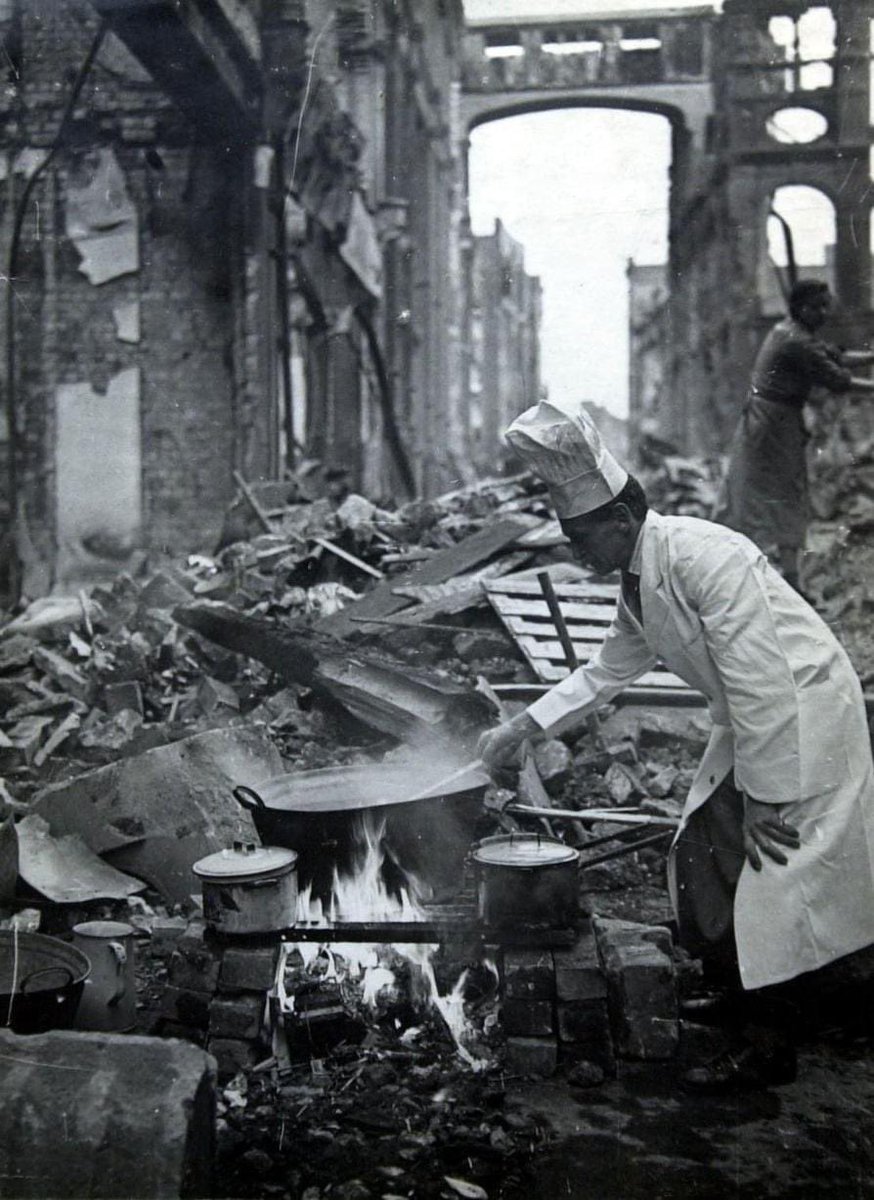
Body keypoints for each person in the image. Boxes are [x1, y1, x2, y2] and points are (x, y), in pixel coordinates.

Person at [481, 399, 874, 1090]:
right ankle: (732, 988)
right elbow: (607, 670)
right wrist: (523, 725)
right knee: (699, 849)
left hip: (803, 714)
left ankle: (768, 1042)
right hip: (758, 717)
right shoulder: (637, 577)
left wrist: (765, 798)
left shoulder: (702, 556)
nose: (575, 552)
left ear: (622, 520)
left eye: (580, 537)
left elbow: (763, 681)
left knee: (765, 871)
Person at [713, 279, 874, 591]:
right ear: (802, 308)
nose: (826, 313)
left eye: (827, 306)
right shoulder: (796, 342)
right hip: (774, 424)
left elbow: (833, 355)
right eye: (820, 307)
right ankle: (778, 579)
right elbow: (837, 378)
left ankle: (777, 576)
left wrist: (870, 357)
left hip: (768, 420)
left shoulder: (786, 331)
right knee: (782, 494)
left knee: (760, 495)